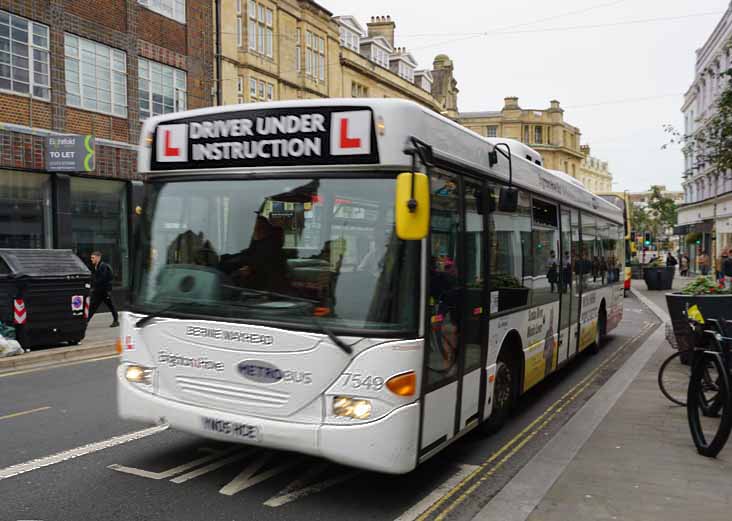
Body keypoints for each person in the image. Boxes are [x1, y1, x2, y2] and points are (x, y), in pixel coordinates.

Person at [89, 251, 119, 327]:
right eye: (91, 257)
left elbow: (102, 278)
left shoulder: (103, 266)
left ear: (98, 258)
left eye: (93, 257)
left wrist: (94, 283)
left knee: (111, 306)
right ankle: (86, 321)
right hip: (99, 291)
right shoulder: (97, 266)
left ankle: (116, 321)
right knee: (92, 306)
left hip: (104, 291)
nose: (91, 259)